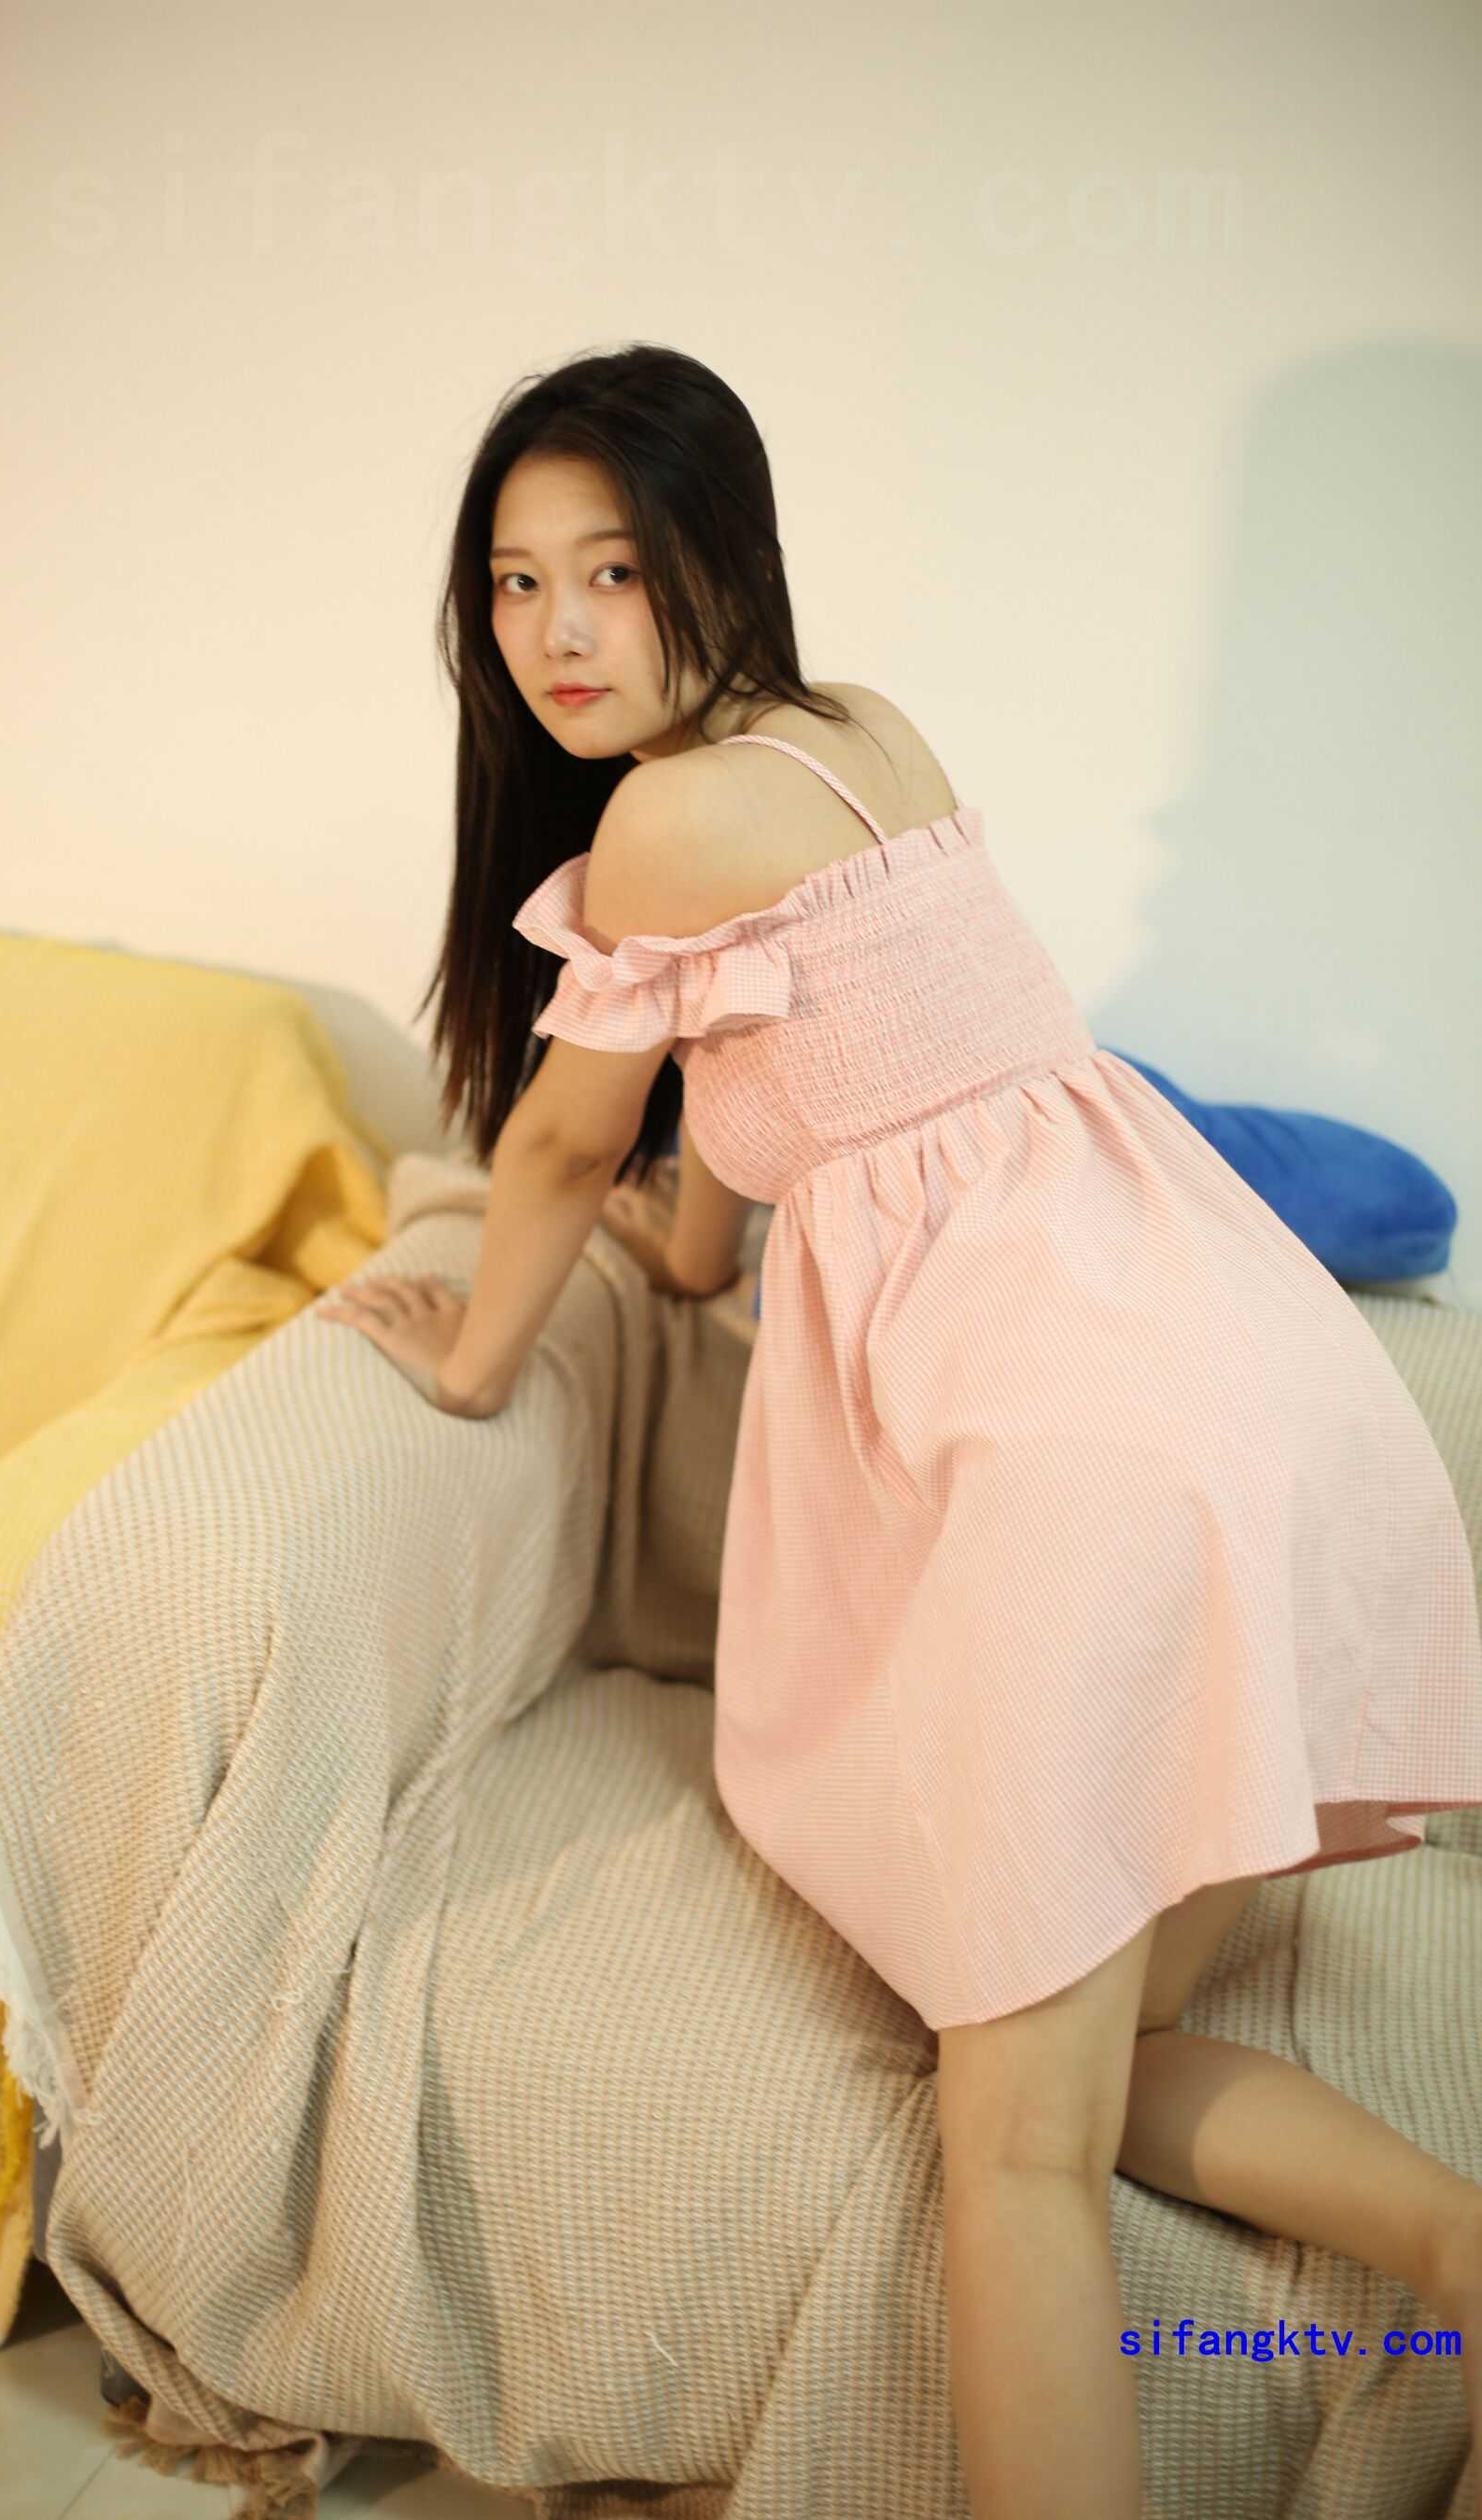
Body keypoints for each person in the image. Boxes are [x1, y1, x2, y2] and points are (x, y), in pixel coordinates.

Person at [316, 342, 1482, 2518]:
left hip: (1085, 1465)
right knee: (1079, 2060)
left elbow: (564, 1143)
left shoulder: (662, 825)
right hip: (1231, 1364)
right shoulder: (861, 731)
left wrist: (468, 1364)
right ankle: (1458, 2256)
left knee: (1008, 2158)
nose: (560, 631)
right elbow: (757, 1107)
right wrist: (688, 1265)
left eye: (611, 572)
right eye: (515, 583)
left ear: (716, 557)